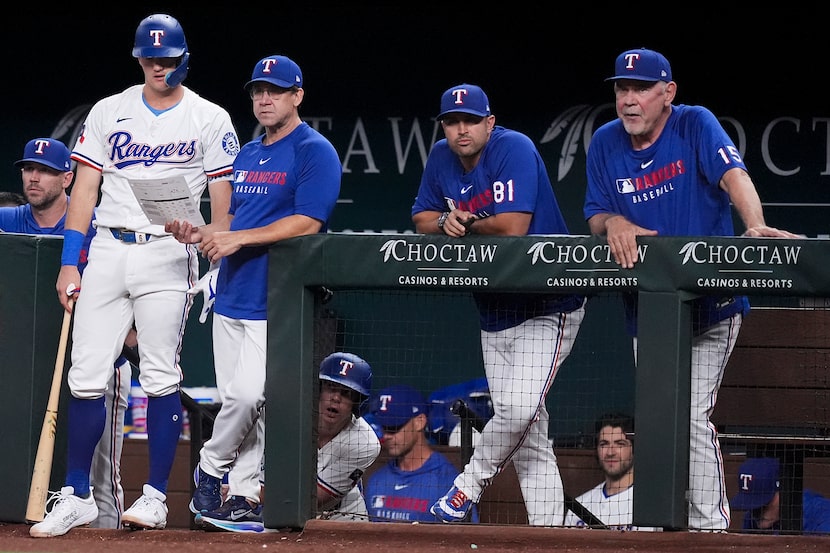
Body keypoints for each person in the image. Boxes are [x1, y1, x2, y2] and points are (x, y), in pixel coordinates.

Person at [30, 13, 239, 538]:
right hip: (107, 247)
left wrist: (204, 236)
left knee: (161, 375)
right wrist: (69, 260)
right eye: (148, 59)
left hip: (168, 250)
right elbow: (84, 190)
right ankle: (76, 495)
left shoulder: (209, 117)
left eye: (166, 59)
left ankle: (155, 498)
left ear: (183, 59)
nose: (157, 67)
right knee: (85, 375)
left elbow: (224, 208)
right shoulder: (109, 109)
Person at [583, 47, 800, 531]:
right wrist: (613, 221)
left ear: (668, 93)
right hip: (650, 308)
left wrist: (755, 224)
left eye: (642, 89)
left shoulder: (694, 123)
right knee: (660, 417)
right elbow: (595, 212)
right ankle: (664, 525)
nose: (629, 99)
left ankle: (709, 529)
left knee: (688, 412)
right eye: (622, 89)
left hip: (711, 304)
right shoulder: (604, 142)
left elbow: (734, 176)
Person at [168, 53, 341, 533]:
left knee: (248, 397)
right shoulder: (246, 154)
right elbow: (230, 221)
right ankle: (241, 497)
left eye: (275, 91)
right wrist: (200, 232)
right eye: (258, 92)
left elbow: (308, 222)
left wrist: (237, 238)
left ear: (297, 96)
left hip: (277, 298)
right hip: (231, 293)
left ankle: (209, 468)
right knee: (239, 407)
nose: (264, 99)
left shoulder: (314, 150)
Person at [411, 84, 586, 526]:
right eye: (452, 122)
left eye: (471, 120)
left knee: (519, 411)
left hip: (548, 299)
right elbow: (421, 217)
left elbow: (512, 227)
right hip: (494, 309)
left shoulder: (513, 148)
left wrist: (465, 224)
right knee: (530, 434)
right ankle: (551, 533)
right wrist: (444, 219)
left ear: (489, 123)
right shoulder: (441, 157)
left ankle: (466, 487)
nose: (461, 129)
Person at [2, 137, 135, 529]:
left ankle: (106, 536)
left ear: (67, 178)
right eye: (28, 169)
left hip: (99, 358)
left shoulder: (99, 225)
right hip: (30, 365)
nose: (33, 177)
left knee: (101, 473)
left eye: (44, 171)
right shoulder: (9, 221)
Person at [365, 384, 478, 523]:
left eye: (394, 427)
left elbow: (468, 534)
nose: (387, 435)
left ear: (420, 421)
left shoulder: (448, 482)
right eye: (384, 427)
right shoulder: (376, 481)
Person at [314, 352, 381, 522]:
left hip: (343, 521)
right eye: (331, 387)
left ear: (356, 402)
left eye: (346, 393)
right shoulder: (293, 419)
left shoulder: (364, 441)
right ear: (319, 390)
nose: (336, 398)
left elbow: (313, 499)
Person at [564, 413, 659, 531]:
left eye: (620, 444)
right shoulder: (580, 505)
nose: (610, 452)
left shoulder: (651, 506)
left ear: (634, 449)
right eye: (604, 444)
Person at [731, 457, 830, 534]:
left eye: (764, 504)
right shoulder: (751, 519)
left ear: (784, 490)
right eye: (752, 505)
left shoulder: (821, 513)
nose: (756, 512)